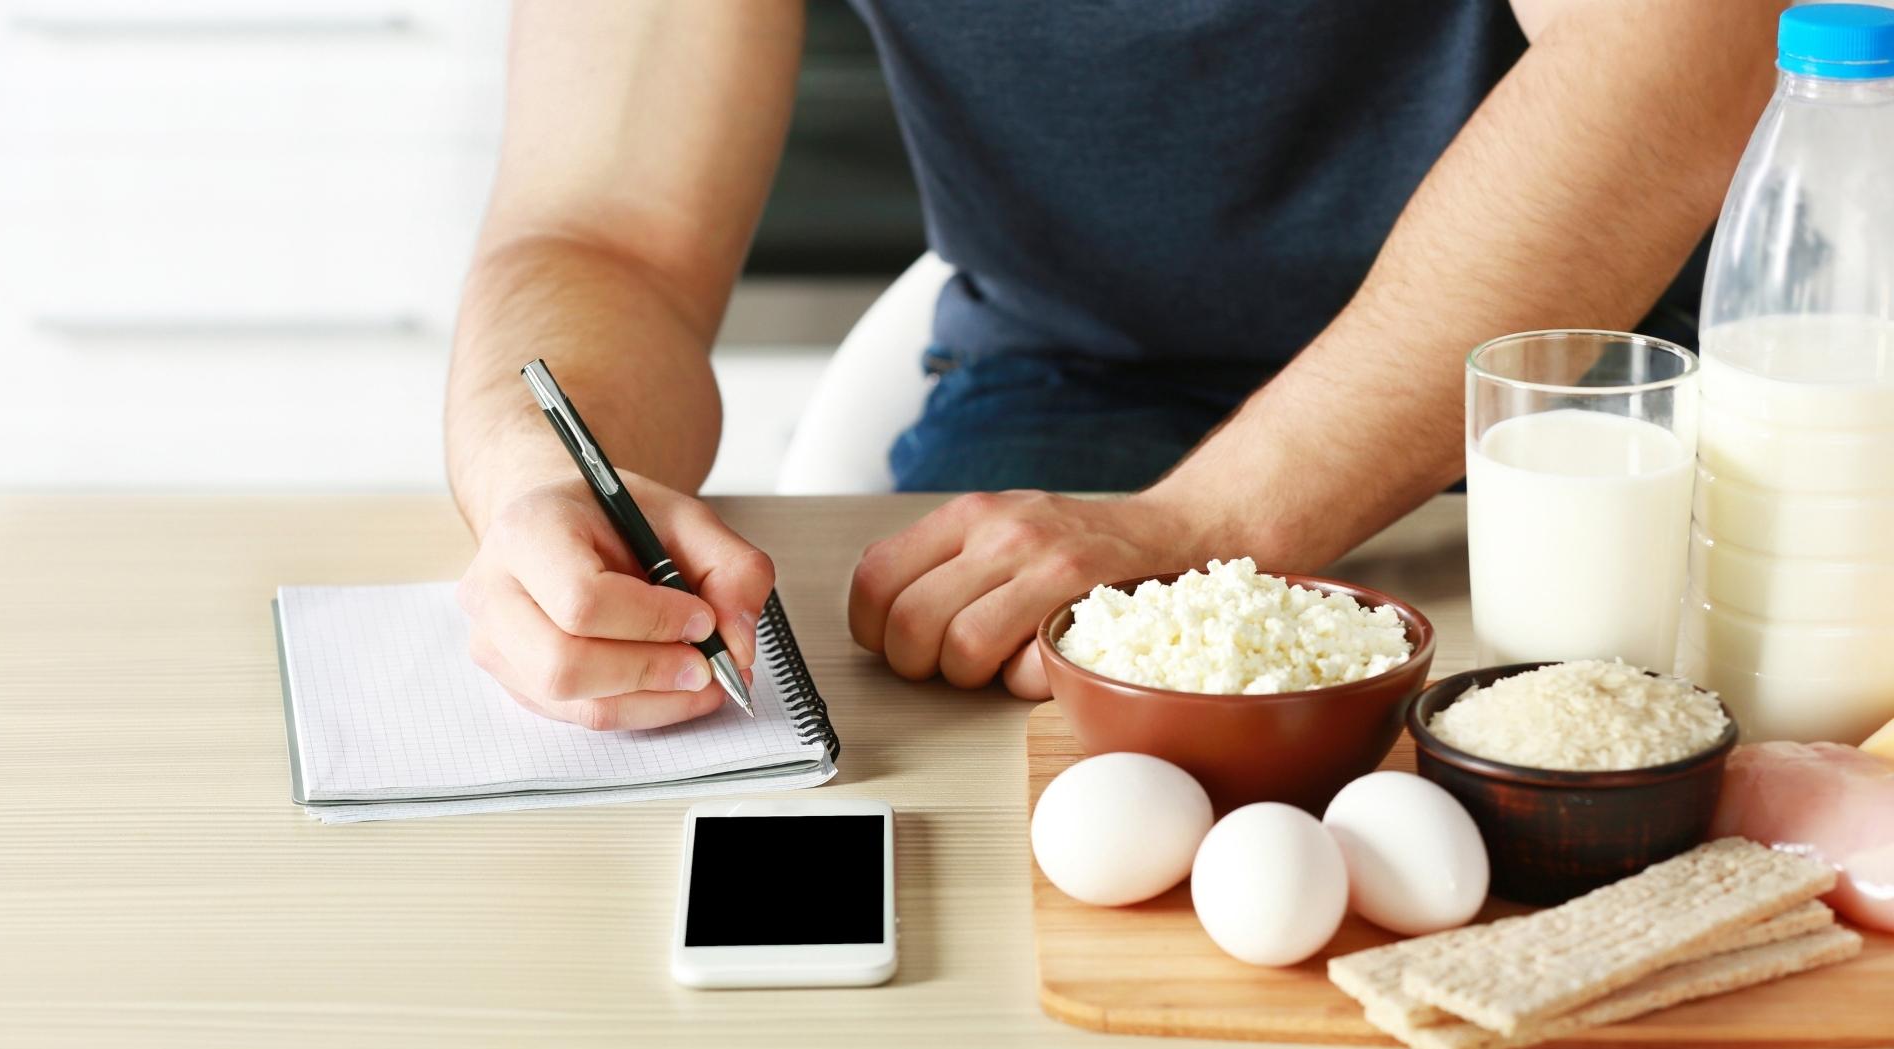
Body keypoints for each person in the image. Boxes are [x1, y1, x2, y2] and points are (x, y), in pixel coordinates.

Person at [445, 0, 1782, 732]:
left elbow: (1676, 54)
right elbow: (599, 227)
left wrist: (1208, 525)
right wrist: (542, 477)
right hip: (1076, 413)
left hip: (1579, 412)